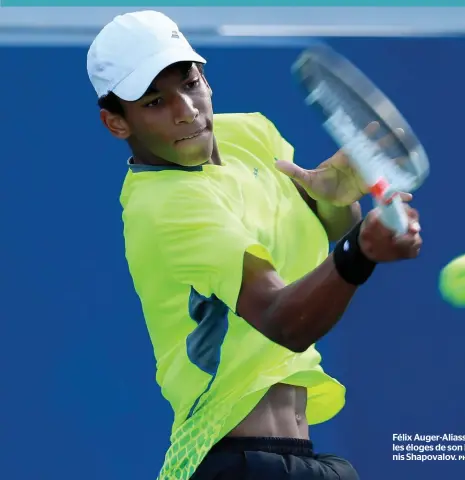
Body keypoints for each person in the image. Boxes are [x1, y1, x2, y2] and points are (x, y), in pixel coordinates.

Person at [87, 10, 422, 480]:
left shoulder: (250, 132)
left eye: (190, 82)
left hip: (301, 458)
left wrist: (333, 195)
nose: (186, 108)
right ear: (116, 123)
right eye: (155, 102)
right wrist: (362, 251)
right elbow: (283, 319)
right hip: (233, 462)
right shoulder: (166, 204)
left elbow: (325, 235)